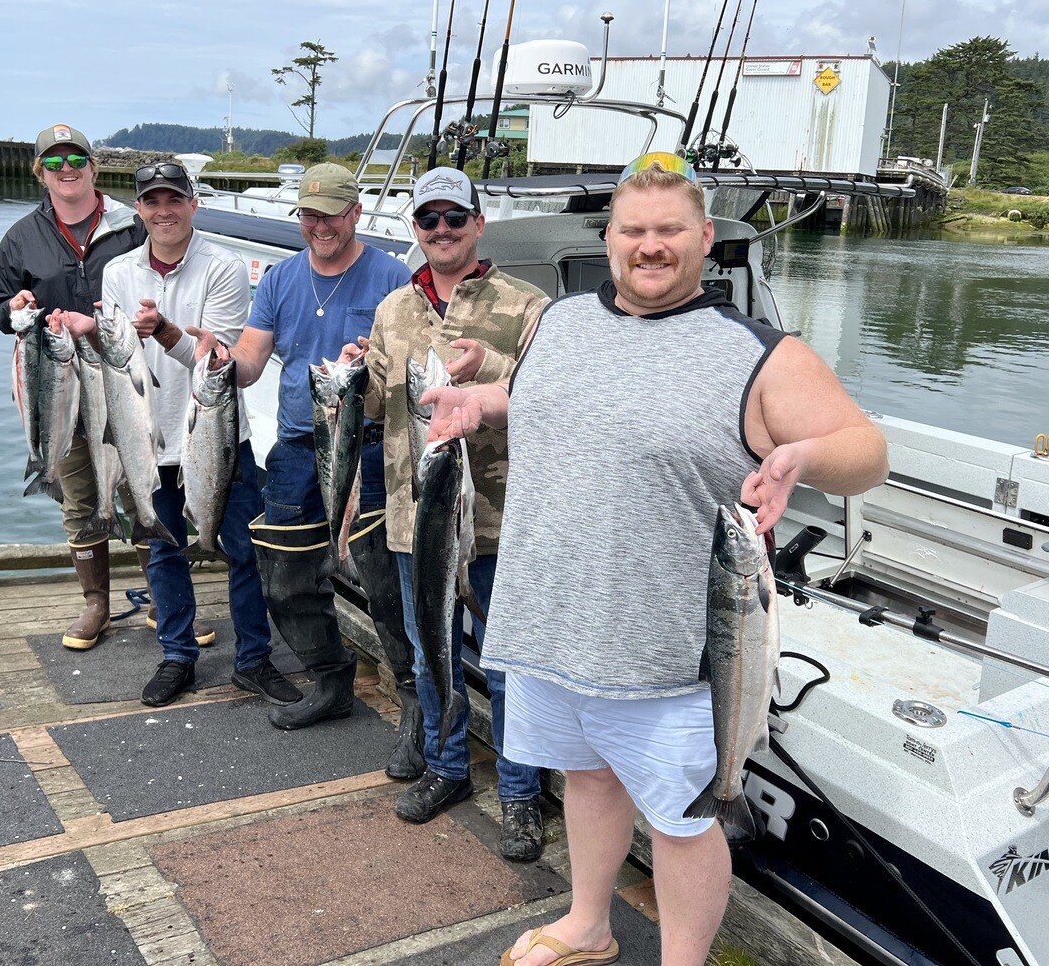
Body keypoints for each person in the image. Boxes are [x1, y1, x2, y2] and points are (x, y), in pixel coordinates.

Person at [424, 153, 890, 966]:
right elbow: (552, 404)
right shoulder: (557, 321)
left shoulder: (759, 352)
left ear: (704, 238)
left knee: (682, 819)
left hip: (669, 645)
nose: (649, 245)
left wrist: (803, 455)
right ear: (609, 238)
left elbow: (867, 451)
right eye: (633, 230)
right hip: (549, 615)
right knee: (588, 779)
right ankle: (588, 923)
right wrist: (485, 401)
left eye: (669, 230)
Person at [344, 167, 548, 860]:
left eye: (454, 218)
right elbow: (374, 404)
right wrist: (354, 374)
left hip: (501, 520)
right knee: (433, 649)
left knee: (511, 660)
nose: (441, 230)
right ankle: (448, 766)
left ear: (478, 223)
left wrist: (489, 376)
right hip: (414, 517)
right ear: (415, 229)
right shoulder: (394, 309)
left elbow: (551, 403)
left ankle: (521, 795)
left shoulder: (527, 306)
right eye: (428, 219)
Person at [57, 162, 299, 709]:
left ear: (193, 204)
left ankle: (253, 661)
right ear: (139, 210)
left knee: (243, 550)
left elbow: (217, 363)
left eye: (173, 200)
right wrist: (93, 332)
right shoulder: (119, 271)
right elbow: (118, 356)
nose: (163, 211)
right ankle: (177, 655)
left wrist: (164, 331)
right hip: (147, 437)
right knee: (160, 548)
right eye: (151, 202)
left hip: (212, 437)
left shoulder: (225, 268)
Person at [225, 164, 417, 745]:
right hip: (295, 448)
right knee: (284, 574)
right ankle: (331, 681)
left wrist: (374, 358)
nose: (320, 225)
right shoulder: (281, 279)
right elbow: (252, 360)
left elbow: (408, 362)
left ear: (356, 213)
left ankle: (414, 702)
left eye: (331, 213)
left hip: (371, 448)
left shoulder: (392, 277)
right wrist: (218, 364)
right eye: (309, 214)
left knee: (385, 579)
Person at [0, 124, 155, 652]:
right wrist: (12, 309)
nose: (67, 170)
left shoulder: (132, 225)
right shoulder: (20, 238)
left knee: (137, 481)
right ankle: (96, 603)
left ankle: (163, 596)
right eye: (54, 162)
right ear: (40, 171)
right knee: (79, 492)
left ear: (93, 166)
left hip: (120, 372)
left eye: (76, 159)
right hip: (56, 378)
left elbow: (157, 284)